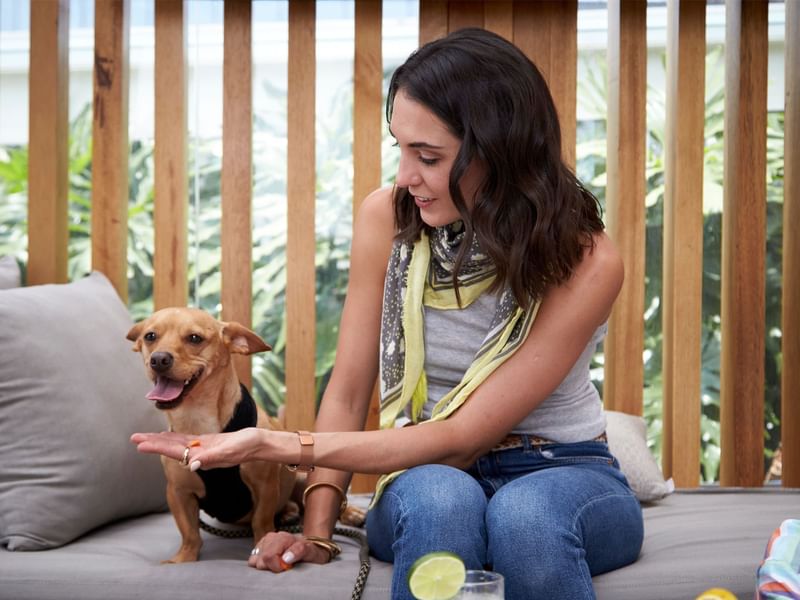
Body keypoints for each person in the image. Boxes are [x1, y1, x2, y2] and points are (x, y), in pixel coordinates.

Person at [132, 27, 644, 599]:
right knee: (440, 502)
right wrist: (317, 531)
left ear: (501, 154)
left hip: (564, 468)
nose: (404, 176)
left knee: (525, 519)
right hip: (428, 475)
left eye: (427, 156)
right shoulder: (389, 218)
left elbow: (462, 436)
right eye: (400, 147)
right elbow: (350, 390)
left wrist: (271, 443)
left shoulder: (586, 258)